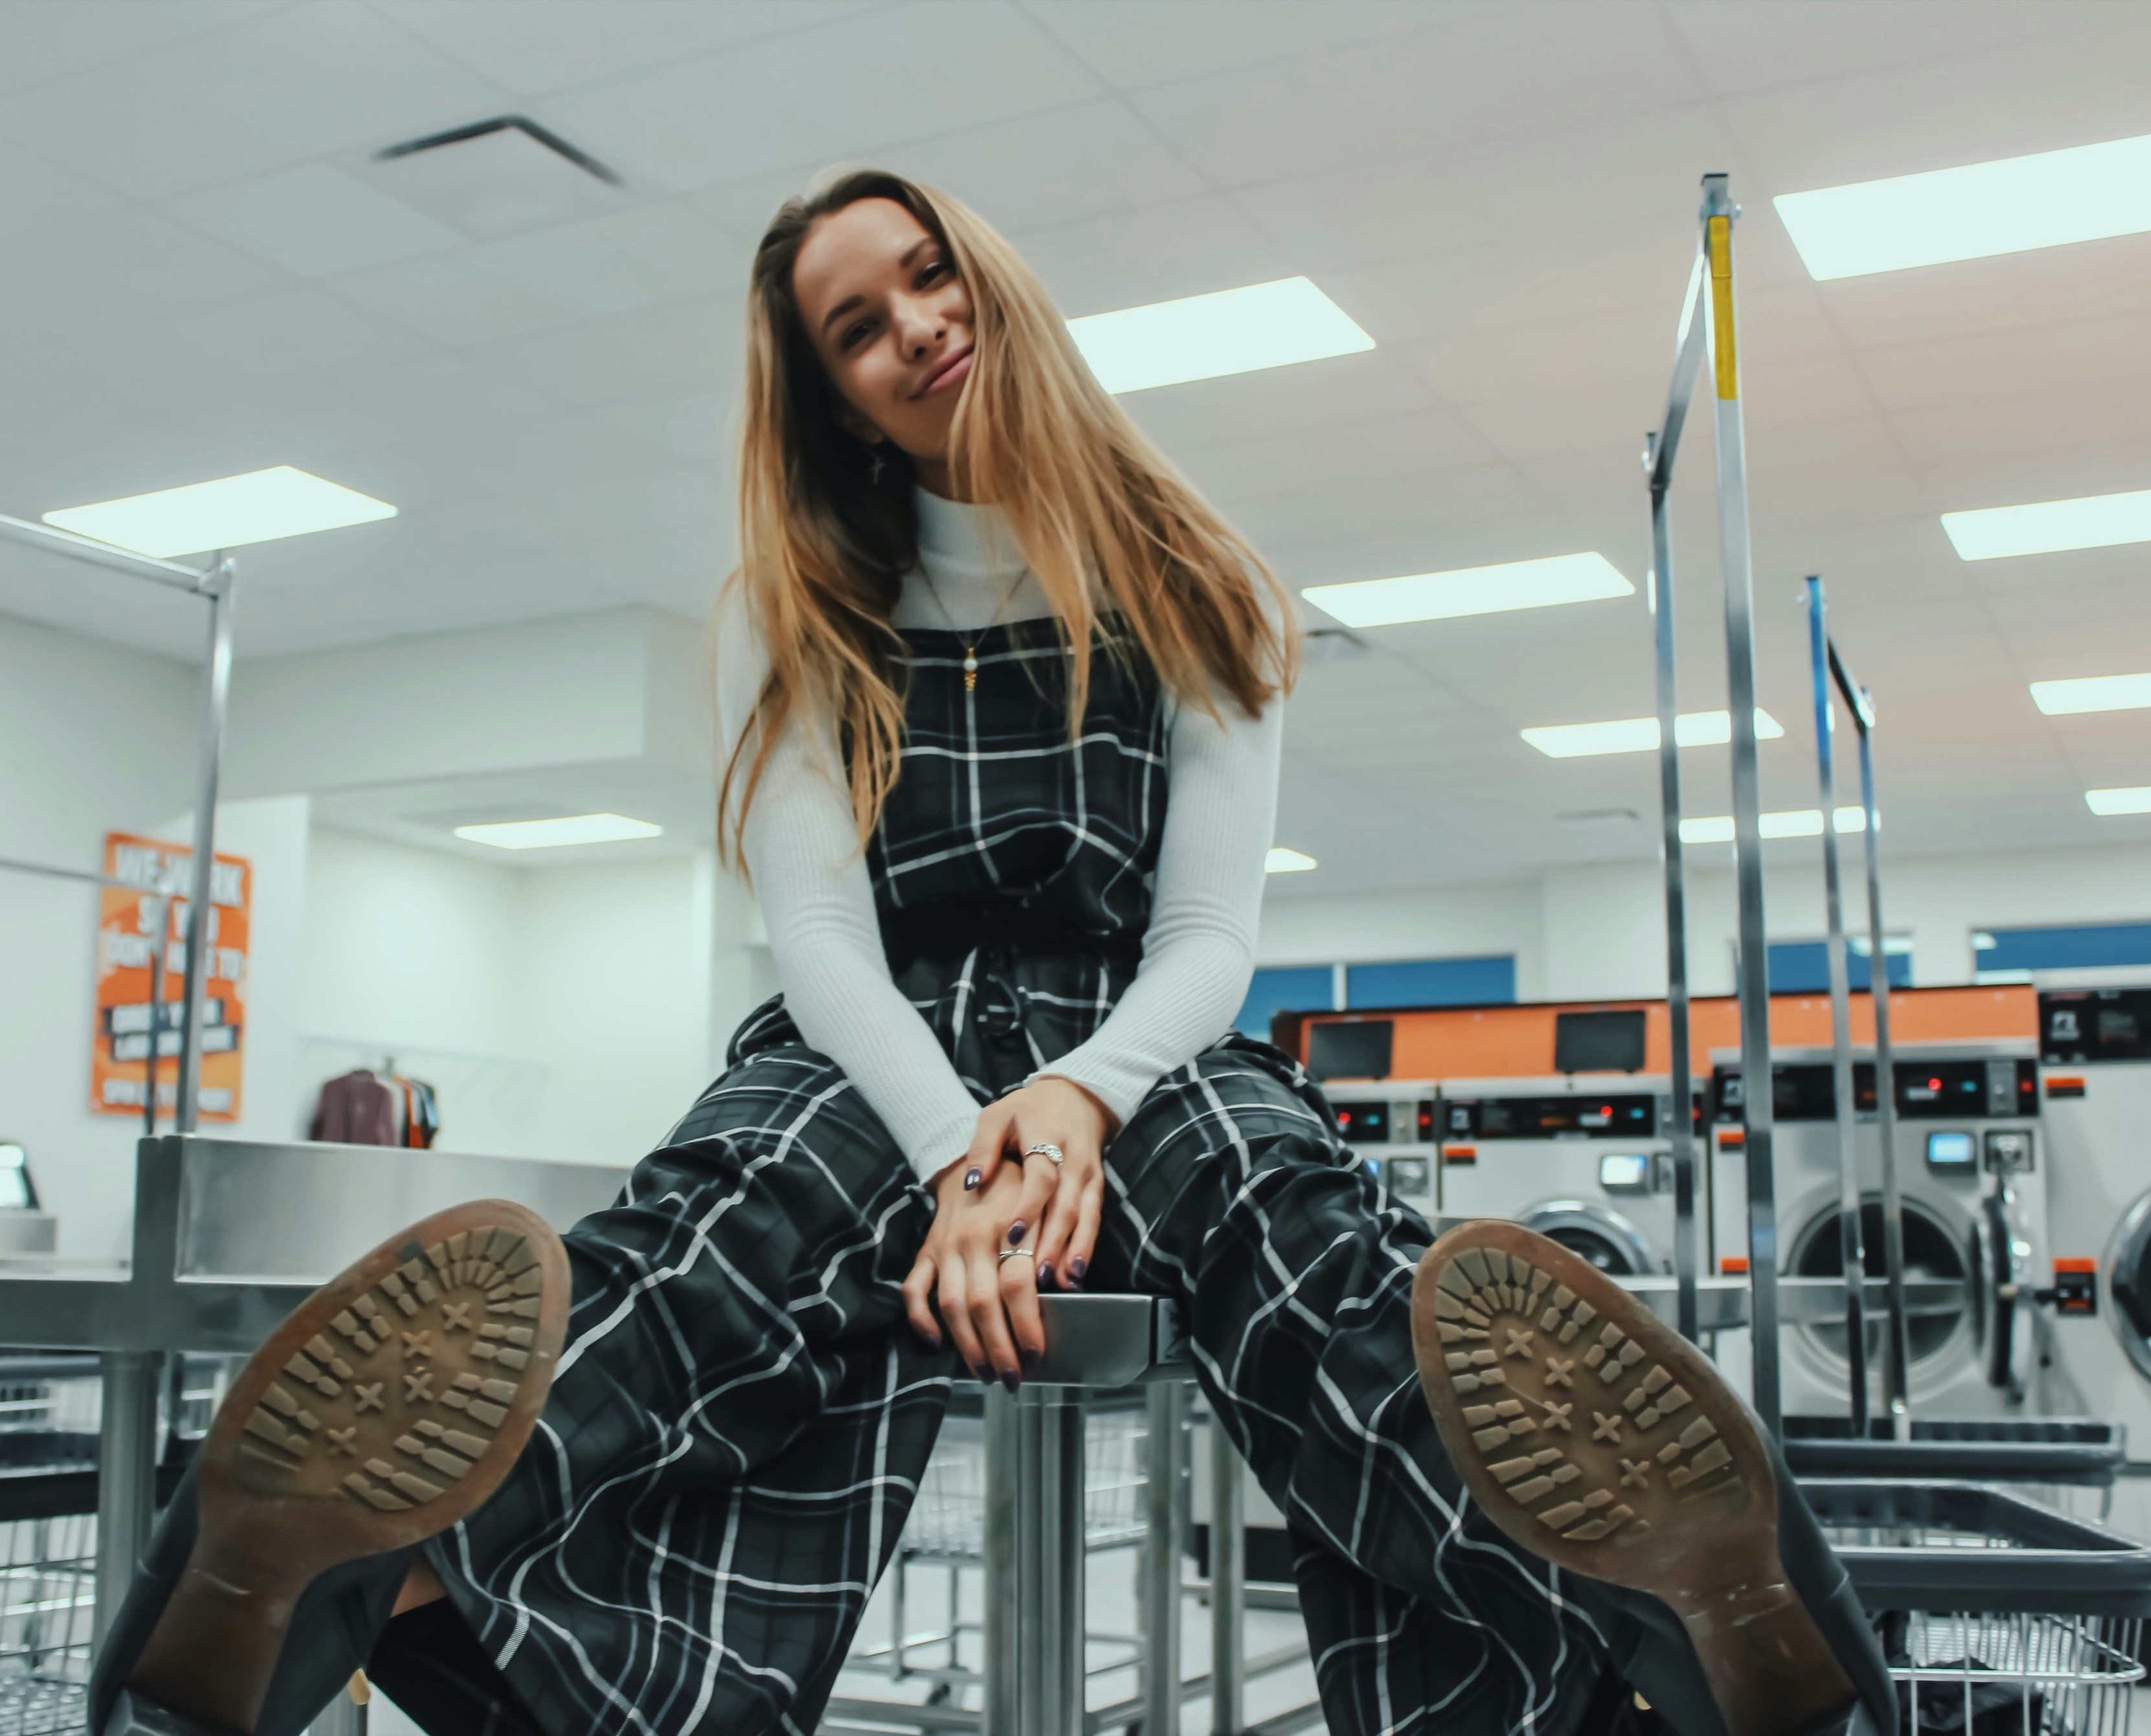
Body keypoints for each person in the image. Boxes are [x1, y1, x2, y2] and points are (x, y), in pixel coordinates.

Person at [94, 169, 1889, 1736]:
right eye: (860, 327)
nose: (918, 328)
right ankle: (332, 1553)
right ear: (844, 405)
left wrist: (1066, 1109)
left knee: (1301, 1249)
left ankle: (1672, 1610)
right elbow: (818, 936)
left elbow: (1204, 936)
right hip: (875, 1032)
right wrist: (965, 1144)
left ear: (991, 277)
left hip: (1138, 1033)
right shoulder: (797, 610)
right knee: (734, 1227)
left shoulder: (1203, 580)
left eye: (928, 273)